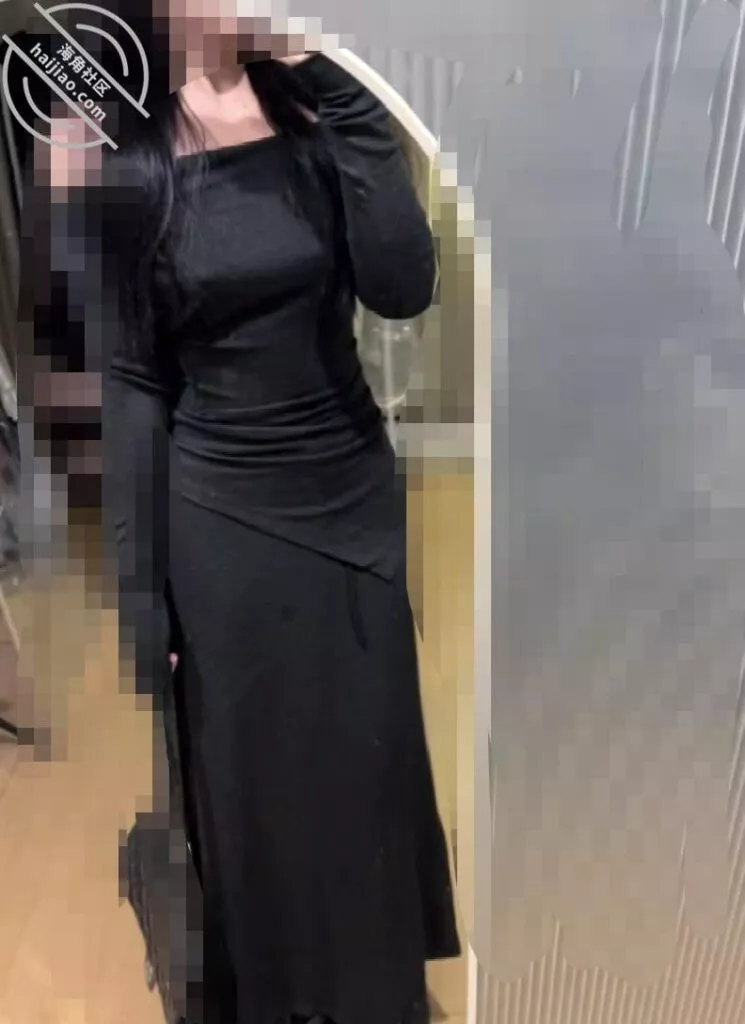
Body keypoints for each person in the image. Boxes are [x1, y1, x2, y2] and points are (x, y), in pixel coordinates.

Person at [33, 7, 461, 1024]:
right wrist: (145, 600)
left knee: (366, 760)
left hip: (348, 494)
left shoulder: (322, 115)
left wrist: (336, 78)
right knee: (259, 784)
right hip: (222, 518)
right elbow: (135, 384)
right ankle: (285, 999)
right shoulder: (125, 153)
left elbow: (402, 287)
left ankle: (375, 992)